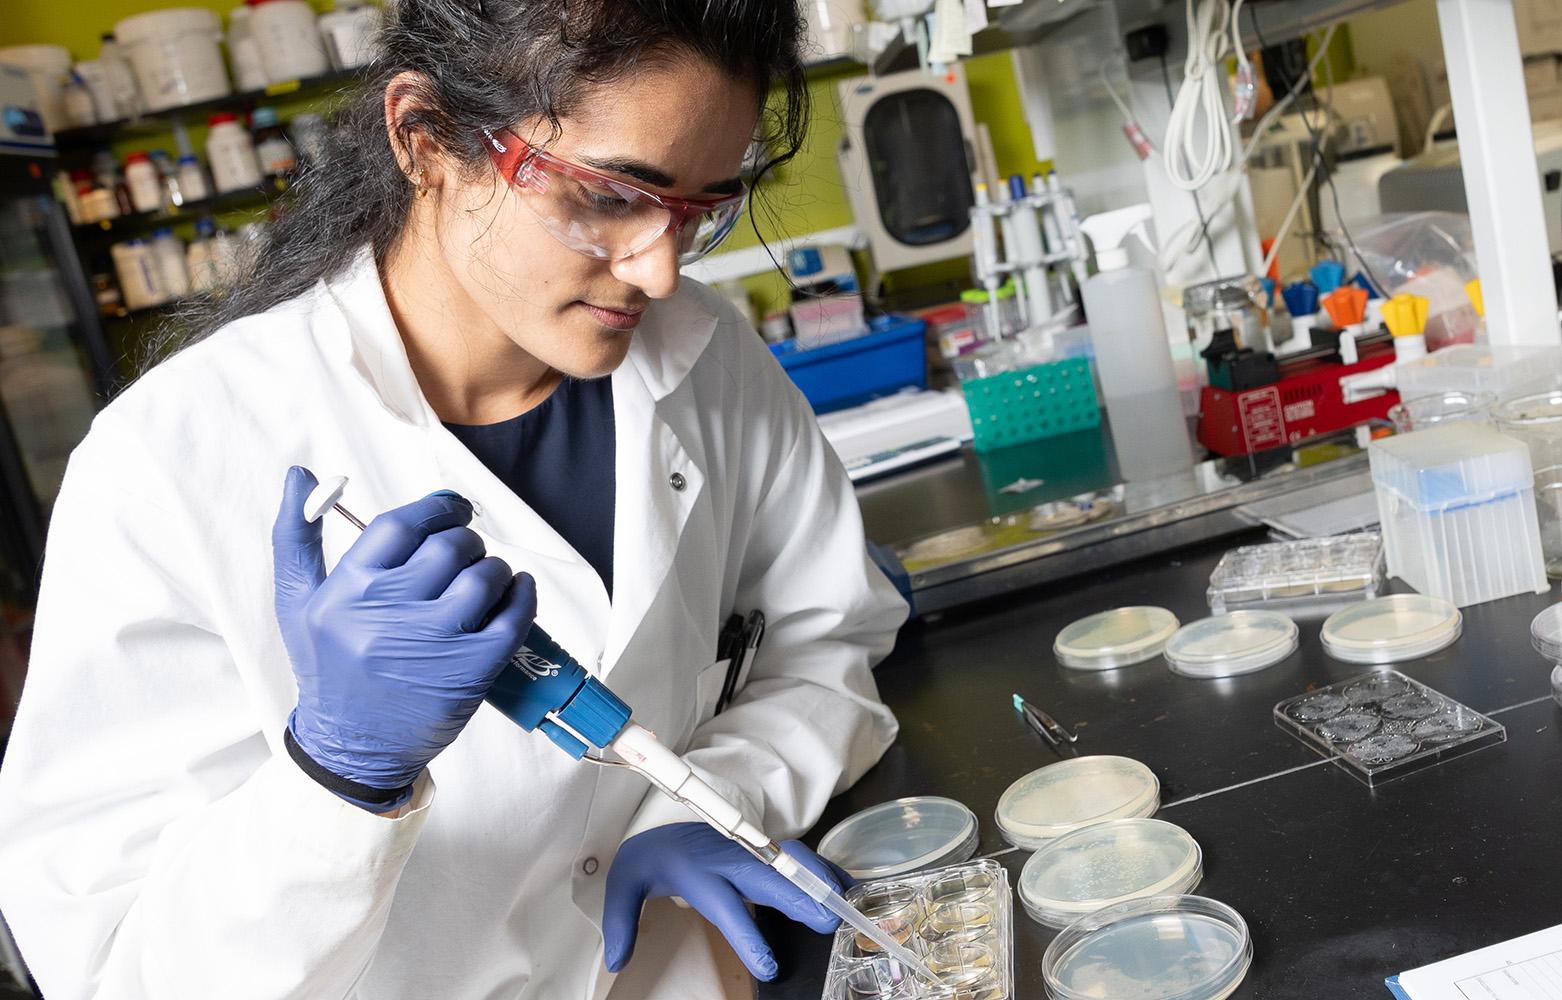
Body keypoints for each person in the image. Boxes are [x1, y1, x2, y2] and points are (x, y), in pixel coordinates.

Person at [0, 1, 908, 996]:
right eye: (610, 196)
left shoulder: (705, 355)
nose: (657, 267)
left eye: (697, 209)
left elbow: (828, 643)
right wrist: (338, 776)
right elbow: (115, 971)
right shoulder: (168, 466)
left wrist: (709, 797)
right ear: (424, 137)